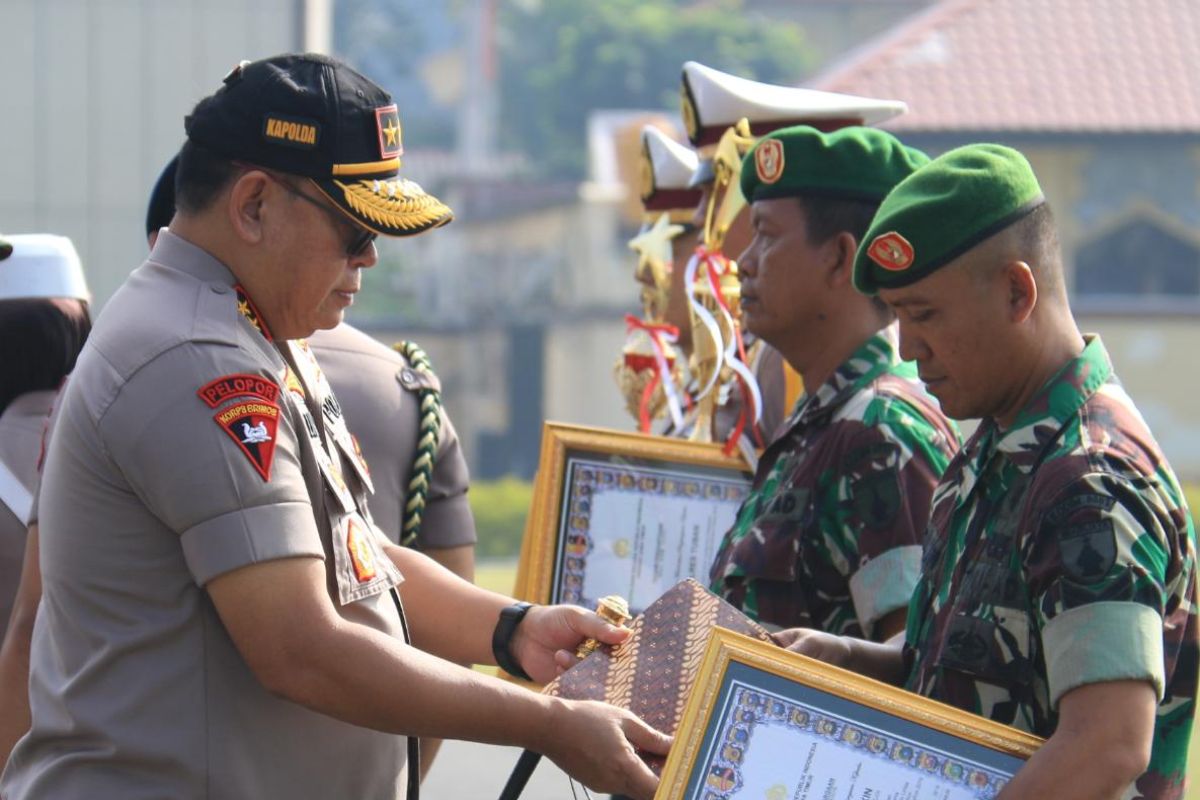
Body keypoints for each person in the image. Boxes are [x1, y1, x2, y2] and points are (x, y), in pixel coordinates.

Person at [0, 53, 669, 800]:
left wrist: (513, 629)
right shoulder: (194, 355)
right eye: (353, 230)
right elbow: (300, 648)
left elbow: (355, 557)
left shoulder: (255, 332)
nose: (371, 258)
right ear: (253, 206)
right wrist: (548, 725)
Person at [783, 144, 1197, 798]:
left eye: (924, 315)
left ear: (1016, 291)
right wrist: (844, 659)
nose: (909, 349)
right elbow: (953, 673)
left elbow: (1107, 744)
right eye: (898, 316)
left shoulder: (1091, 477)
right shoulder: (991, 455)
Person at [707, 126, 959, 640]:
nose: (744, 261)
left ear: (842, 257)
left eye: (768, 235)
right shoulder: (824, 423)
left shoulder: (883, 433)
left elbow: (905, 676)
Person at [675, 62, 908, 451]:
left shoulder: (880, 428)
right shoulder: (813, 401)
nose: (700, 217)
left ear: (837, 257)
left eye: (715, 191)